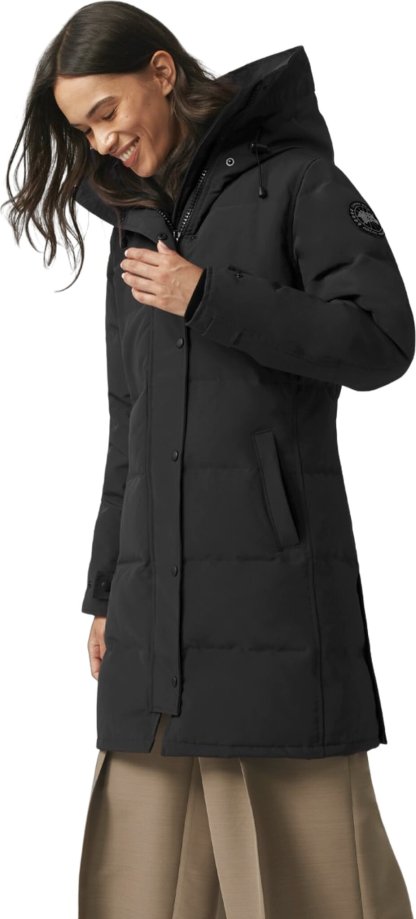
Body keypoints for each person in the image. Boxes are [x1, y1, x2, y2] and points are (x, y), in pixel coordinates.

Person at [4, 2, 414, 917]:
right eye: (82, 129)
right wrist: (107, 586)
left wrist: (209, 297)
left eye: (106, 112)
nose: (101, 142)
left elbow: (383, 340)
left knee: (310, 887)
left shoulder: (298, 185)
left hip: (273, 602)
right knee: (139, 891)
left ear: (160, 72)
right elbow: (130, 422)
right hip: (155, 621)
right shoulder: (136, 224)